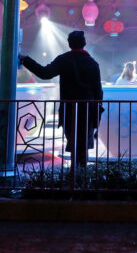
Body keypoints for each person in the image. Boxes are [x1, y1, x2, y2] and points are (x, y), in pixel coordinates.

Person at [20, 30, 104, 166]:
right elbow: (98, 91)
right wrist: (98, 110)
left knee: (73, 141)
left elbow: (44, 73)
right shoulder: (92, 63)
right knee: (83, 143)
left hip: (69, 108)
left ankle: (74, 175)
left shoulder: (64, 59)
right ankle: (81, 175)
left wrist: (25, 59)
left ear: (69, 44)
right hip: (88, 109)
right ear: (84, 43)